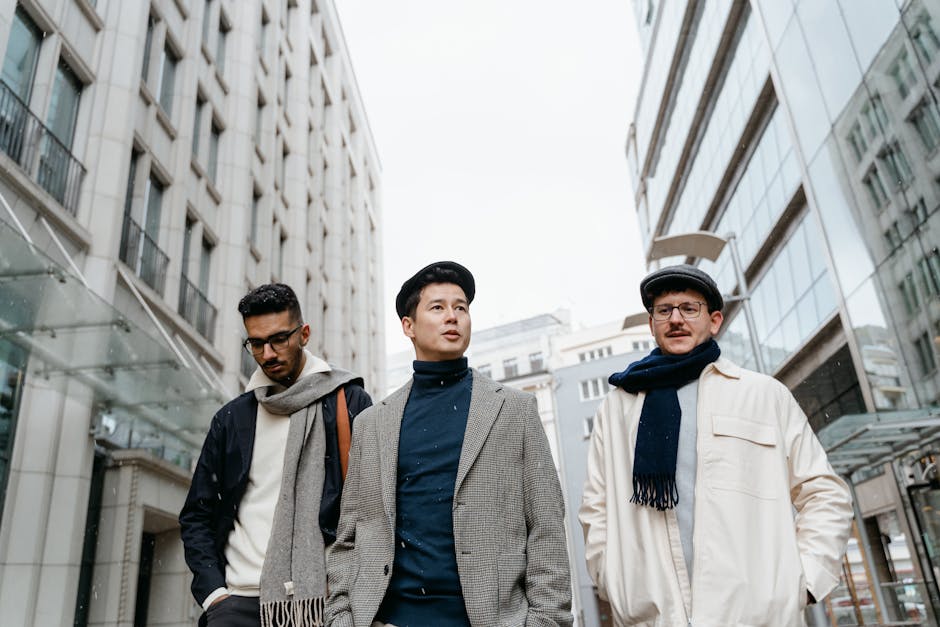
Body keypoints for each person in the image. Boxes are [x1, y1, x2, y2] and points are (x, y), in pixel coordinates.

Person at [579, 264, 853, 626]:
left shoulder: (763, 395)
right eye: (664, 310)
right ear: (652, 324)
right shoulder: (617, 408)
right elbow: (596, 510)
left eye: (689, 308)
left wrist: (803, 581)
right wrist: (615, 584)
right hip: (655, 618)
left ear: (714, 320)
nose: (676, 319)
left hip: (758, 616)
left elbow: (824, 493)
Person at [325, 261, 572, 627]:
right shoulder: (372, 424)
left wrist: (545, 620)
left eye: (461, 307)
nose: (452, 317)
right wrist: (341, 619)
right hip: (391, 617)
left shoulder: (515, 410)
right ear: (408, 326)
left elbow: (547, 527)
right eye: (437, 307)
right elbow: (349, 535)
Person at [180, 283, 372, 627]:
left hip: (323, 602)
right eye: (256, 343)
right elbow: (197, 513)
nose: (268, 353)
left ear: (305, 334)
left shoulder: (349, 403)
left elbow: (371, 508)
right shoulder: (233, 418)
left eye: (279, 339)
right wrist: (215, 595)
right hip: (237, 602)